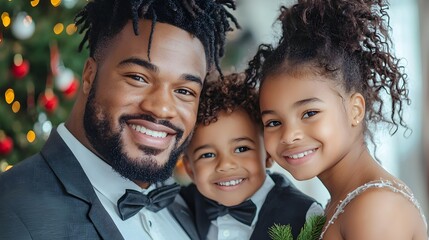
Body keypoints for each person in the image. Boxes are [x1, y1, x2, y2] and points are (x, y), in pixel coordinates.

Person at [0, 0, 239, 239]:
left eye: (184, 91)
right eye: (138, 77)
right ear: (89, 75)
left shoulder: (198, 213)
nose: (162, 108)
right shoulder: (11, 211)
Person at [246, 0, 428, 239]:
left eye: (309, 113)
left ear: (355, 110)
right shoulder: (340, 203)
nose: (289, 135)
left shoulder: (376, 208)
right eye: (273, 122)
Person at [172, 72, 323, 240]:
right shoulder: (179, 206)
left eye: (242, 149)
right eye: (207, 155)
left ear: (267, 154)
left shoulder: (306, 215)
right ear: (189, 168)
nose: (225, 165)